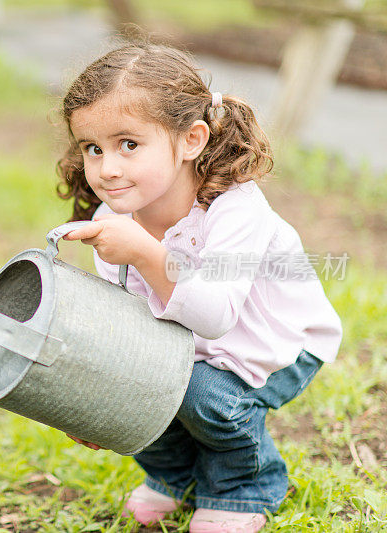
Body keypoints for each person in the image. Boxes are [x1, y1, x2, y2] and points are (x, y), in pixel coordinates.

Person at [56, 42, 343, 533]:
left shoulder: (234, 211)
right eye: (92, 148)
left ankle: (243, 488)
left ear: (191, 139)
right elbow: (124, 327)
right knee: (137, 388)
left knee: (202, 394)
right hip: (187, 348)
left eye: (129, 144)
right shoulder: (113, 218)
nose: (107, 168)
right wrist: (98, 393)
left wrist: (145, 252)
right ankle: (175, 478)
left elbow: (214, 317)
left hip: (274, 345)